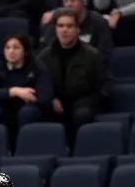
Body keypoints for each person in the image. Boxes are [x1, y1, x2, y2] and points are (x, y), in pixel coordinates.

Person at [37, 9, 110, 145]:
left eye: (70, 26)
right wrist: (50, 99)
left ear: (78, 30)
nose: (65, 30)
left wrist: (89, 101)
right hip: (55, 102)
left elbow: (103, 86)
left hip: (83, 102)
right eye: (61, 26)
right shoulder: (44, 56)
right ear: (56, 29)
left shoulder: (92, 55)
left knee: (81, 114)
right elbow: (38, 84)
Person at [0, 32, 51, 148]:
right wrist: (13, 92)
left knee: (27, 112)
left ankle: (23, 150)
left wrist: (30, 98)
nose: (11, 51)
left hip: (29, 110)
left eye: (16, 48)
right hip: (5, 109)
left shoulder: (38, 67)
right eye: (7, 47)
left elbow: (45, 97)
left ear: (25, 51)